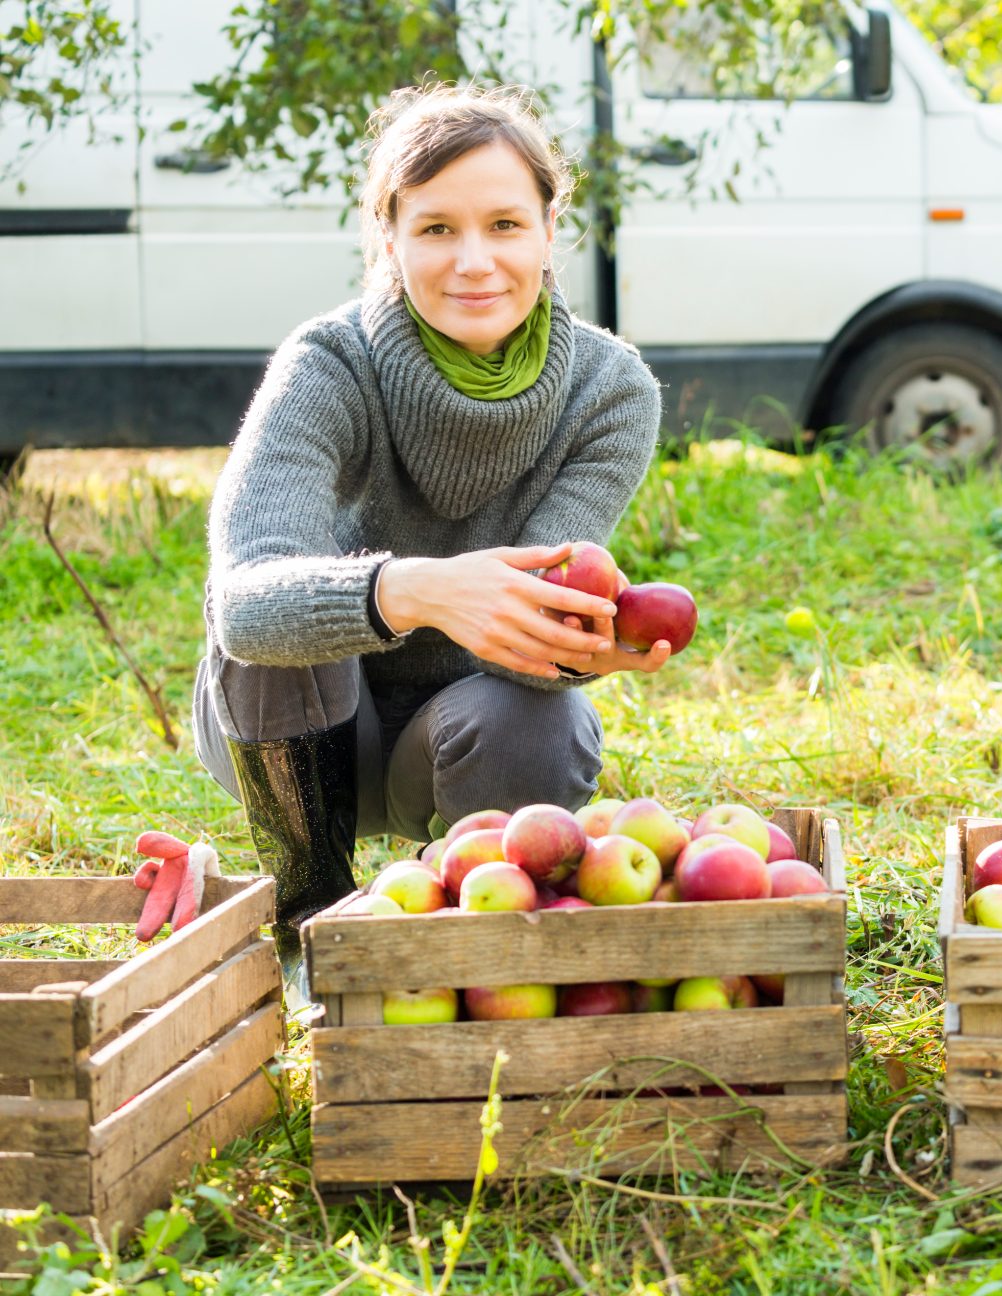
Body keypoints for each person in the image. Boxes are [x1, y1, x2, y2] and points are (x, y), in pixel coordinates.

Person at [192, 84, 668, 996]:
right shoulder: (327, 366)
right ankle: (310, 922)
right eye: (437, 229)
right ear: (389, 239)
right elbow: (242, 607)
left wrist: (582, 647)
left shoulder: (609, 392)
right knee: (284, 625)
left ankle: (462, 944)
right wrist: (410, 590)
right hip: (296, 726)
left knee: (546, 714)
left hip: (465, 731)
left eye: (504, 224)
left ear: (547, 231)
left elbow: (533, 642)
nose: (476, 261)